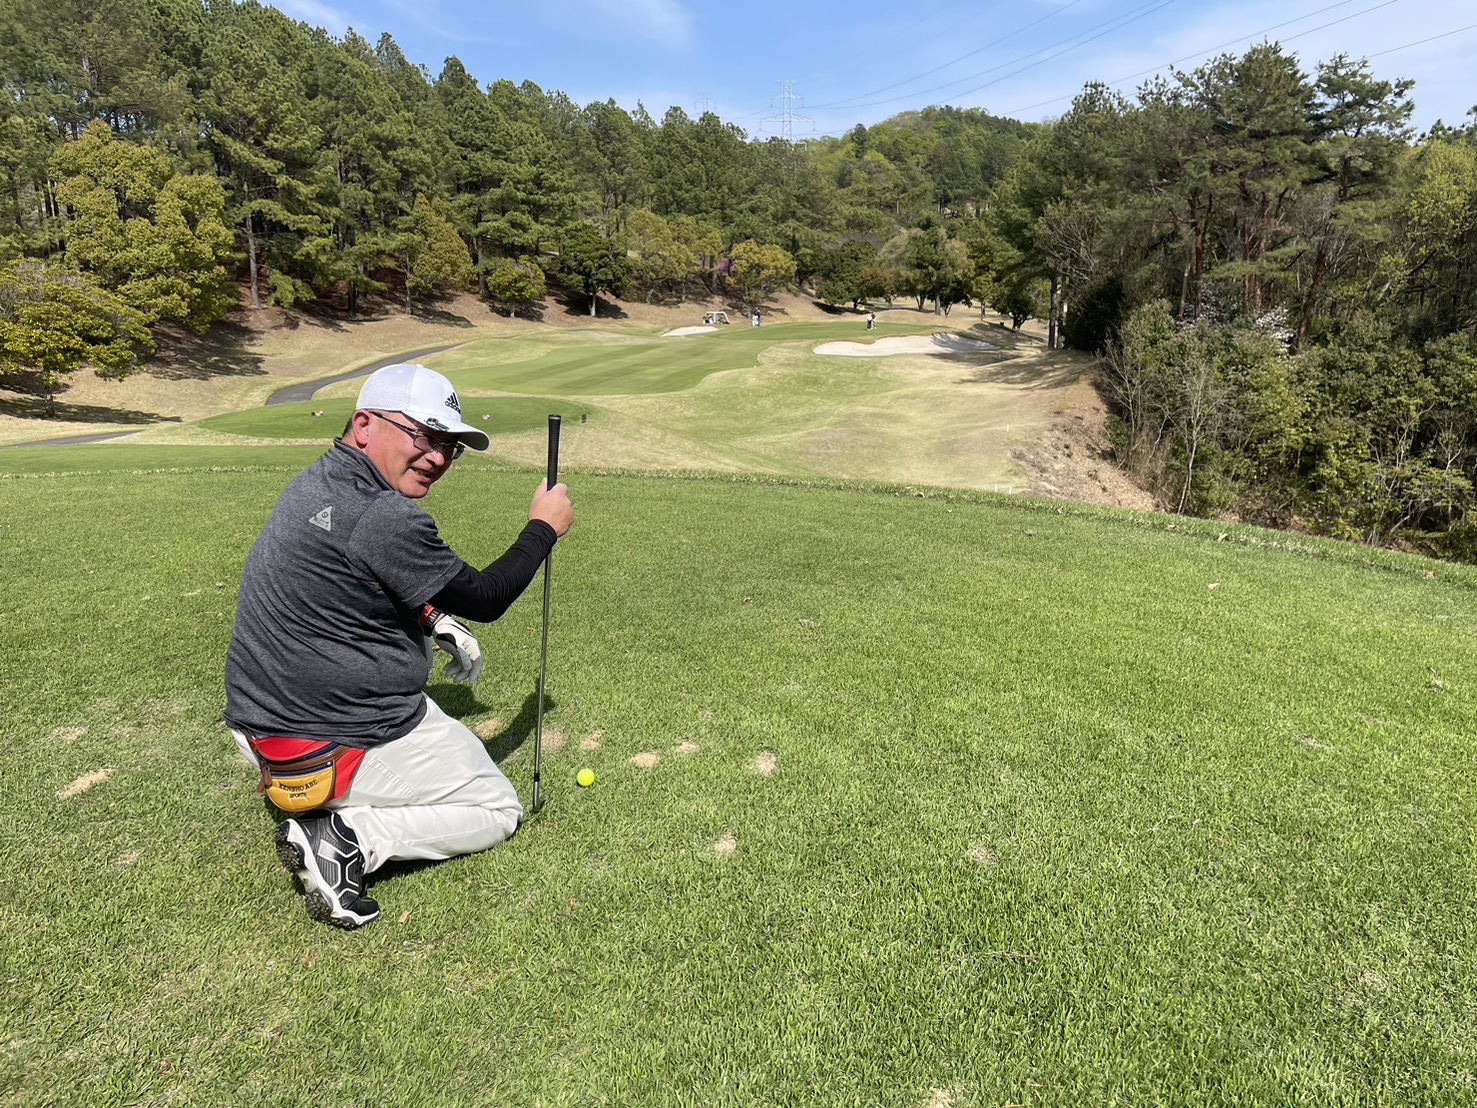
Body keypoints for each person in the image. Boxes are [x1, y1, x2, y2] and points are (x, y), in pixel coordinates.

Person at [224, 362, 574, 929]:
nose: (437, 457)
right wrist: (543, 527)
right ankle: (347, 839)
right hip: (329, 738)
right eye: (425, 437)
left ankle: (339, 808)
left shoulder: (322, 481)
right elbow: (485, 598)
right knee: (497, 807)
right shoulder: (381, 513)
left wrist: (432, 616)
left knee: (435, 718)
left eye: (449, 446)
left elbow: (361, 577)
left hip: (260, 722)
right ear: (365, 425)